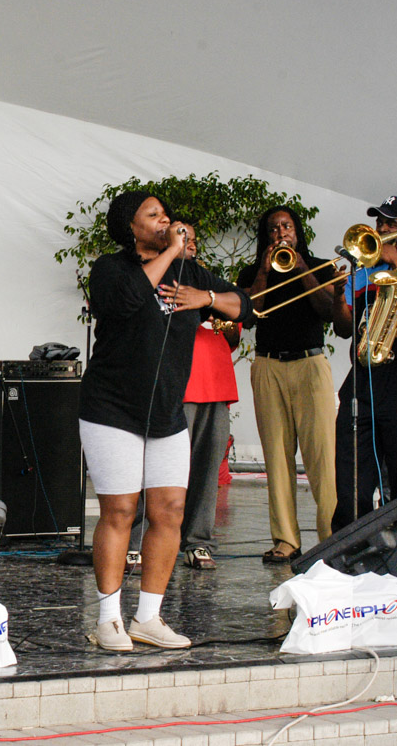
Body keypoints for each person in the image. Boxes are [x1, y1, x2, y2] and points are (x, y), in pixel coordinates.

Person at [80, 191, 249, 651]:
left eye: (166, 215)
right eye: (152, 216)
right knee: (119, 511)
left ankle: (148, 618)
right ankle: (108, 619)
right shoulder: (110, 269)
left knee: (169, 511)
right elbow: (125, 302)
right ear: (129, 227)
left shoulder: (189, 274)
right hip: (111, 409)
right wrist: (173, 250)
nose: (165, 220)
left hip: (167, 411)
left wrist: (205, 296)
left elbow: (245, 306)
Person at [127, 223, 241, 571]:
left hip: (215, 382)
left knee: (207, 469)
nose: (187, 243)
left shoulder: (204, 279)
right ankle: (136, 542)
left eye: (192, 239)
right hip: (175, 383)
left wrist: (206, 299)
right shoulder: (155, 275)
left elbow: (238, 322)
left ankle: (198, 542)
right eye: (181, 236)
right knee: (159, 471)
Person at [329, 197, 397, 531]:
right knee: (351, 459)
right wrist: (338, 295)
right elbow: (342, 327)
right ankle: (351, 537)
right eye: (379, 223)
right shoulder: (362, 271)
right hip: (363, 372)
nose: (381, 229)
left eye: (390, 224)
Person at [237, 206, 336, 563]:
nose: (281, 233)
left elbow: (328, 310)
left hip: (310, 364)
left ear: (297, 231)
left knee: (323, 456)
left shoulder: (321, 266)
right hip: (268, 364)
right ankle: (286, 540)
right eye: (274, 228)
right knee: (276, 456)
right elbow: (250, 314)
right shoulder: (252, 271)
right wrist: (265, 269)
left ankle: (330, 538)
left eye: (287, 226)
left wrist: (301, 268)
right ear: (266, 235)